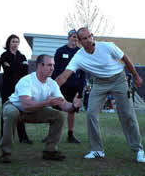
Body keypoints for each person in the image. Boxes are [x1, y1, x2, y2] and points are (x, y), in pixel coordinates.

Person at [55, 27, 145, 163]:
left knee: (127, 114)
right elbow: (64, 76)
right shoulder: (78, 56)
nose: (89, 40)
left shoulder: (107, 46)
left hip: (118, 80)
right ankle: (97, 150)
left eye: (90, 36)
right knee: (91, 113)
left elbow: (125, 59)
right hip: (99, 83)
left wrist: (136, 76)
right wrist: (49, 89)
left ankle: (139, 150)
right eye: (84, 38)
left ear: (92, 36)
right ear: (79, 41)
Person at [0, 54, 81, 163]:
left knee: (59, 116)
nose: (52, 68)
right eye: (49, 65)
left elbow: (63, 104)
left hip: (33, 110)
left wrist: (73, 106)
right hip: (15, 107)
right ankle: (6, 153)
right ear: (39, 66)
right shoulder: (26, 81)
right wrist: (47, 102)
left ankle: (50, 151)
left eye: (53, 65)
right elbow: (26, 104)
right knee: (11, 113)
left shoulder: (52, 84)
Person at [46, 29, 85, 143]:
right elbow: (55, 69)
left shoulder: (81, 52)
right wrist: (53, 85)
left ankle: (70, 135)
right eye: (73, 37)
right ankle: (51, 134)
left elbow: (83, 72)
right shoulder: (60, 51)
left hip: (74, 86)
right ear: (68, 38)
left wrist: (81, 88)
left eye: (77, 38)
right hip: (61, 86)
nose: (75, 39)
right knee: (55, 110)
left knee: (71, 110)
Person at [0, 34, 32, 144]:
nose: (15, 44)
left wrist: (13, 67)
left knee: (20, 111)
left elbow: (25, 71)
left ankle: (23, 137)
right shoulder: (4, 55)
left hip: (19, 88)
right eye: (13, 41)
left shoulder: (22, 56)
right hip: (7, 87)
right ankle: (3, 136)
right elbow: (7, 70)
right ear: (9, 43)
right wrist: (17, 68)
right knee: (5, 112)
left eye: (17, 42)